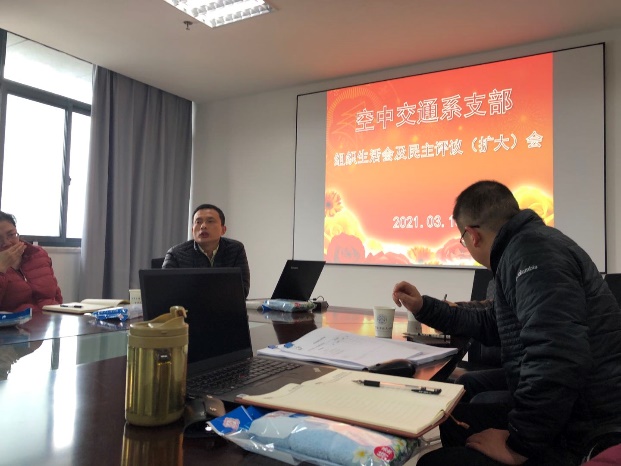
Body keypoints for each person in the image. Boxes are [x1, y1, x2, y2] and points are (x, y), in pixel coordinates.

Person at [392, 181, 621, 465]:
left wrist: (518, 445)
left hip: (584, 427)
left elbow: (557, 356)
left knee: (434, 461)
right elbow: (492, 320)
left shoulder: (533, 255)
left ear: (472, 235)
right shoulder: (526, 247)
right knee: (453, 420)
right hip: (570, 408)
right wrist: (424, 307)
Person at [163, 204, 250, 298]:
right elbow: (166, 291)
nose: (203, 226)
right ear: (192, 230)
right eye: (198, 222)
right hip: (187, 307)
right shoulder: (175, 254)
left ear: (223, 230)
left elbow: (242, 290)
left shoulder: (235, 249)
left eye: (210, 221)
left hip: (225, 306)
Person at [0, 211, 63, 312]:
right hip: (16, 321)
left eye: (11, 234)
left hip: (52, 318)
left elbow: (56, 294)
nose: (6, 243)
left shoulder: (38, 254)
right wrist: (1, 268)